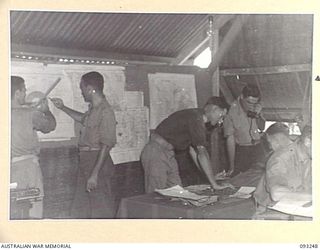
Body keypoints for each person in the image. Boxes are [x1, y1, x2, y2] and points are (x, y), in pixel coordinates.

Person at [50, 71, 117, 219]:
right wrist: (62, 107)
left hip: (97, 161)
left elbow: (106, 145)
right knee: (82, 208)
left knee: (101, 208)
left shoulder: (106, 111)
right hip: (87, 161)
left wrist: (94, 174)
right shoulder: (94, 109)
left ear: (90, 89)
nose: (81, 92)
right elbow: (83, 119)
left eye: (82, 88)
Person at [141, 96, 233, 193]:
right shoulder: (196, 118)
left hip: (168, 154)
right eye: (222, 116)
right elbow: (202, 154)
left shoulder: (197, 118)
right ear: (214, 109)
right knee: (155, 197)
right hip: (156, 153)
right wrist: (214, 184)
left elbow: (194, 152)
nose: (221, 121)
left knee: (177, 192)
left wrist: (211, 177)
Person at [11, 76, 56, 219]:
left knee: (13, 209)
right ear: (17, 93)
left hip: (8, 169)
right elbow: (50, 126)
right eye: (23, 90)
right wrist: (46, 110)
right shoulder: (30, 114)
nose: (25, 93)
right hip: (28, 168)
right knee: (33, 209)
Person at [254, 123, 312, 210]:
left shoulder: (310, 156)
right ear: (308, 141)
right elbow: (276, 194)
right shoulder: (281, 158)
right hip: (272, 211)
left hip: (301, 207)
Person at [223, 83, 266, 177]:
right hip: (242, 151)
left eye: (254, 103)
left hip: (258, 147)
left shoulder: (256, 106)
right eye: (249, 102)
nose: (252, 106)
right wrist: (231, 166)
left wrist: (257, 115)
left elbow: (261, 127)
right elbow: (230, 140)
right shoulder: (231, 111)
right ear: (242, 96)